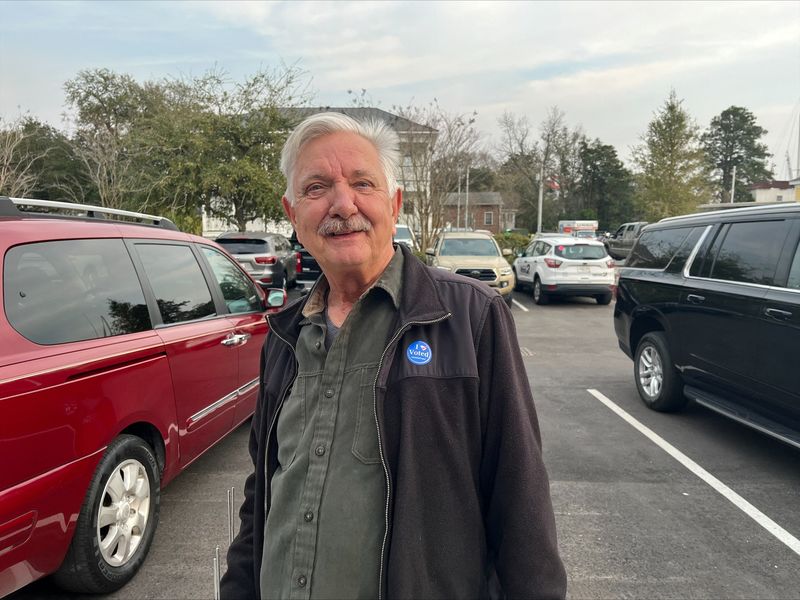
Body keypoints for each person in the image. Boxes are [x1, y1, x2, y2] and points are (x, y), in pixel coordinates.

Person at [221, 112, 566, 599]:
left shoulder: (470, 317)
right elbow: (264, 491)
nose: (344, 204)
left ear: (395, 203)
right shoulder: (285, 335)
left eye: (363, 183)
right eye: (317, 188)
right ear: (292, 214)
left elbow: (521, 499)